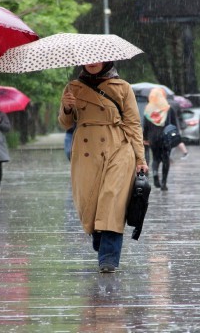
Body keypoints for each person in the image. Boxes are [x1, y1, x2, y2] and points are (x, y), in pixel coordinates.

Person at [58, 61, 148, 273]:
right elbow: (65, 123)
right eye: (86, 60)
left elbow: (133, 124)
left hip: (117, 148)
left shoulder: (122, 87)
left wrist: (140, 159)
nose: (91, 64)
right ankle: (101, 238)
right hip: (86, 152)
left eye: (96, 59)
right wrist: (67, 107)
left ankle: (108, 258)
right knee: (90, 203)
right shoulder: (73, 87)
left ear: (106, 61)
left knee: (112, 201)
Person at [143, 87, 179, 191]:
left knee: (155, 158)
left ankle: (155, 175)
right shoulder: (168, 108)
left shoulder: (148, 109)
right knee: (165, 159)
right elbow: (173, 124)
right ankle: (163, 183)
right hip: (166, 137)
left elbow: (145, 125)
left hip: (153, 138)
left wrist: (145, 137)